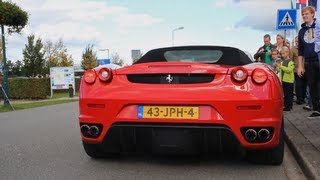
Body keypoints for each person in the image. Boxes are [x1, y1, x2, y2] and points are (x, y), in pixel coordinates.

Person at [297, 6, 320, 118]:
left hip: (318, 58)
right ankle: (316, 110)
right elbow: (300, 51)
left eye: (306, 13)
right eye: (303, 14)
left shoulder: (319, 27)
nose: (304, 16)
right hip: (309, 62)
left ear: (312, 14)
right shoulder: (301, 31)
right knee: (312, 86)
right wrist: (300, 66)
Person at [275, 46, 295, 111]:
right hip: (284, 80)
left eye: (283, 53)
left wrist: (280, 66)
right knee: (286, 95)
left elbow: (289, 70)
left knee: (289, 95)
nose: (282, 55)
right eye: (282, 54)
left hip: (289, 81)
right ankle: (286, 106)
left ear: (287, 53)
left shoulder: (291, 62)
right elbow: (281, 70)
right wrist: (277, 67)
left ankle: (289, 107)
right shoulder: (282, 62)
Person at [290, 36, 307, 104]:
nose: (297, 43)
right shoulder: (292, 50)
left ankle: (303, 98)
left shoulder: (305, 49)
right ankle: (299, 99)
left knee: (304, 85)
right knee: (298, 85)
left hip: (305, 69)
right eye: (296, 41)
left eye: (298, 41)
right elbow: (291, 60)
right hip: (296, 70)